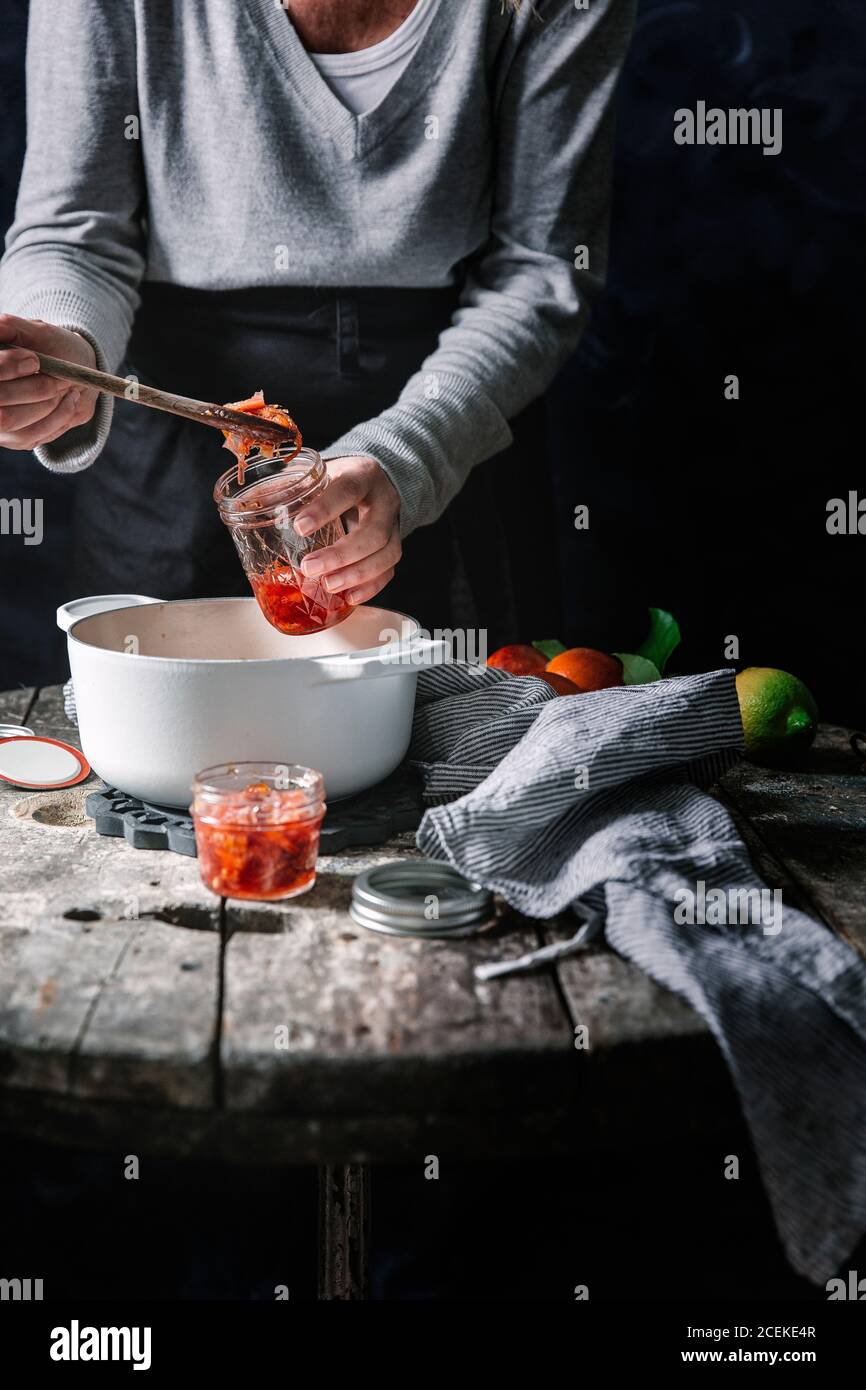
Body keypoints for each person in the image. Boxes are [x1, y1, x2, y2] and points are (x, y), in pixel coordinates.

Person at [0, 0, 635, 646]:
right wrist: (67, 342)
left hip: (448, 432)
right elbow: (75, 229)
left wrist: (404, 459)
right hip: (166, 468)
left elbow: (539, 266)